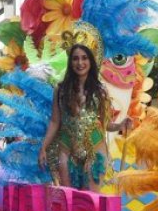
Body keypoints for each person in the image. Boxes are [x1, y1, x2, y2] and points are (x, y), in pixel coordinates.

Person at [39, 43, 129, 191]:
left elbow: (106, 123)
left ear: (90, 62)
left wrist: (120, 125)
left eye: (84, 58)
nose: (80, 63)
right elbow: (55, 121)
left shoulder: (101, 91)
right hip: (67, 149)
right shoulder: (60, 90)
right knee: (69, 199)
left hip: (94, 149)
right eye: (75, 59)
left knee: (91, 200)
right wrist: (43, 147)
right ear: (70, 63)